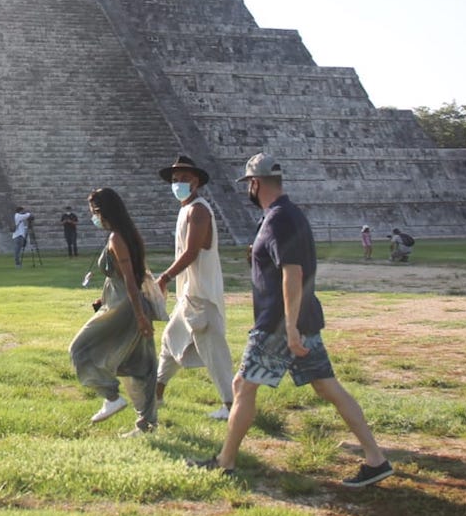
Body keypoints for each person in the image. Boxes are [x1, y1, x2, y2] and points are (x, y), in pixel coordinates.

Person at [193, 153, 393, 488]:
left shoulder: (278, 219)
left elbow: (292, 273)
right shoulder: (288, 214)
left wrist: (289, 327)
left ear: (255, 183)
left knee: (243, 385)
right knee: (326, 386)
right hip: (300, 318)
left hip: (278, 323)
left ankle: (225, 461)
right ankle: (376, 459)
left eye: (249, 184)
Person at [69, 187, 158, 436]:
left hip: (125, 307)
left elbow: (130, 280)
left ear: (103, 211)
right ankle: (147, 424)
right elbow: (123, 277)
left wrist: (140, 316)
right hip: (123, 303)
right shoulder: (127, 234)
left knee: (80, 349)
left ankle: (111, 396)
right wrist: (104, 298)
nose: (93, 217)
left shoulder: (117, 239)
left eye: (93, 212)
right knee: (140, 365)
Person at [153, 155, 235, 420]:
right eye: (175, 179)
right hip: (189, 294)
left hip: (202, 296)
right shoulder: (186, 209)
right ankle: (156, 395)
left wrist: (164, 277)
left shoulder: (198, 210)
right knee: (170, 341)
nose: (178, 183)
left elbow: (191, 252)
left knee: (214, 351)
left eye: (184, 179)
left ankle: (231, 405)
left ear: (196, 182)